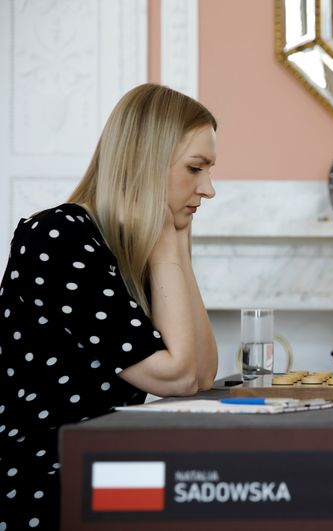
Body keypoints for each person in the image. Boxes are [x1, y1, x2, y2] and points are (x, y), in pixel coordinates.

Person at [0, 83, 219, 529]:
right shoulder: (59, 237)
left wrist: (174, 243)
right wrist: (164, 246)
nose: (209, 189)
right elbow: (175, 377)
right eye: (195, 169)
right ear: (147, 165)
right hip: (48, 477)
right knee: (212, 501)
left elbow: (201, 375)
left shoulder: (129, 246)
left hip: (109, 463)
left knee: (220, 495)